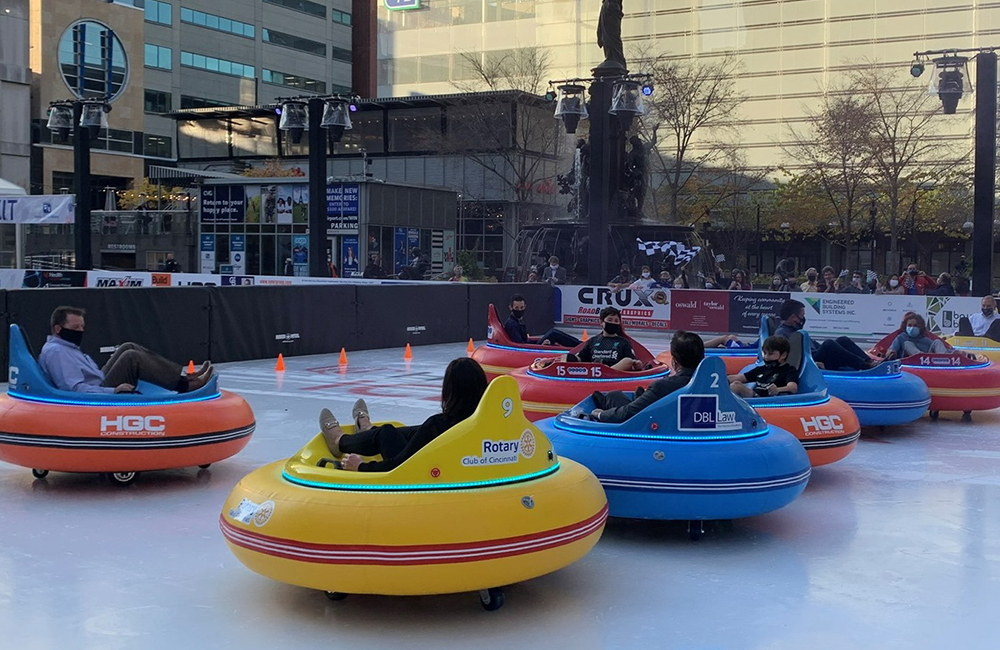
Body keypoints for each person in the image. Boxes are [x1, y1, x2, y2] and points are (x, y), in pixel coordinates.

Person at [319, 358, 487, 472]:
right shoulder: (483, 421)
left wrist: (361, 467)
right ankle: (368, 430)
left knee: (386, 432)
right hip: (455, 467)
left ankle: (339, 441)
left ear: (450, 390)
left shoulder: (438, 424)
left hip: (422, 475)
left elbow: (399, 466)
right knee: (417, 431)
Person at [38, 306, 214, 395]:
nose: (80, 331)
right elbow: (74, 389)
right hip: (94, 393)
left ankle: (185, 377)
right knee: (131, 357)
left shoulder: (67, 347)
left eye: (82, 327)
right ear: (58, 329)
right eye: (75, 327)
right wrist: (113, 391)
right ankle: (185, 386)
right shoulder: (57, 352)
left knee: (128, 346)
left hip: (97, 381)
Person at [589, 330, 704, 423]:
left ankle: (605, 404)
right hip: (673, 423)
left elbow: (628, 413)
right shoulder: (708, 383)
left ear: (674, 361)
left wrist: (600, 414)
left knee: (613, 398)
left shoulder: (663, 386)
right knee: (615, 395)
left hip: (653, 427)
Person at [774, 299, 878, 371]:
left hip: (814, 354)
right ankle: (864, 366)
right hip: (811, 360)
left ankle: (869, 361)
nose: (803, 318)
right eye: (802, 315)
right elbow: (789, 357)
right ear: (793, 317)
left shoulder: (795, 329)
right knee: (829, 344)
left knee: (843, 340)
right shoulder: (782, 334)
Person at [532, 306, 640, 372]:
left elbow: (632, 361)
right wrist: (567, 358)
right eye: (610, 320)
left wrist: (637, 364)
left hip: (614, 373)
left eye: (616, 321)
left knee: (628, 361)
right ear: (601, 322)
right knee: (566, 357)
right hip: (593, 372)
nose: (612, 323)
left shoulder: (623, 342)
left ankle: (606, 372)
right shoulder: (593, 341)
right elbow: (580, 358)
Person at [728, 335, 799, 398]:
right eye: (765, 353)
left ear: (783, 355)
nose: (766, 357)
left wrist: (778, 390)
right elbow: (741, 377)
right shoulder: (762, 369)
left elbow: (793, 387)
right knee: (735, 383)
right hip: (755, 396)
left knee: (736, 386)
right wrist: (721, 377)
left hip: (768, 399)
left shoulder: (789, 370)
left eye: (770, 354)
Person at [503, 294, 580, 348]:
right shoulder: (512, 324)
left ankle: (579, 344)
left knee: (553, 332)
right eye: (516, 308)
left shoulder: (518, 321)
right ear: (511, 307)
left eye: (521, 307)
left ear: (525, 307)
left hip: (529, 345)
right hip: (529, 349)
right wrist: (540, 345)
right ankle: (580, 345)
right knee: (553, 334)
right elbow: (520, 344)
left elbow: (525, 341)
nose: (519, 310)